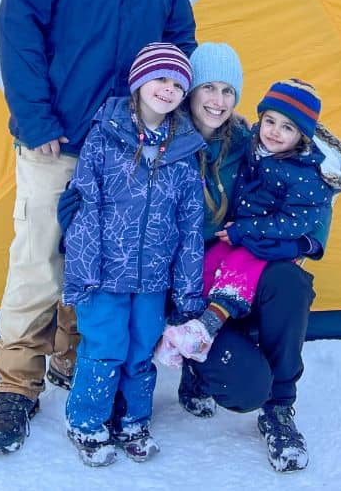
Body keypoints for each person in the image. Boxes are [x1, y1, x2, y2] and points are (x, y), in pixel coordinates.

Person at [0, 0, 196, 454]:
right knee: (40, 262)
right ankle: (15, 388)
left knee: (99, 265)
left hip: (130, 150)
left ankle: (76, 365)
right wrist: (34, 118)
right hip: (60, 141)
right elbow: (17, 26)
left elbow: (179, 38)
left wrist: (162, 121)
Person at [157, 54, 341, 473]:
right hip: (188, 275)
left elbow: (310, 216)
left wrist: (290, 235)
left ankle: (280, 409)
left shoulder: (244, 141)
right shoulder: (165, 136)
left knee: (291, 283)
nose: (216, 101)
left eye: (227, 91)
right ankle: (199, 363)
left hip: (247, 263)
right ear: (188, 92)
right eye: (207, 89)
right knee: (244, 385)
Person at [62, 43, 205, 467]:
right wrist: (83, 269)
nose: (168, 88)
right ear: (139, 81)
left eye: (178, 83)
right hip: (104, 274)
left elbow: (190, 226)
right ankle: (88, 420)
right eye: (160, 78)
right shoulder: (105, 135)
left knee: (142, 347)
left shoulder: (184, 151)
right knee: (105, 345)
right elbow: (86, 203)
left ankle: (132, 420)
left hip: (152, 278)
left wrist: (188, 292)